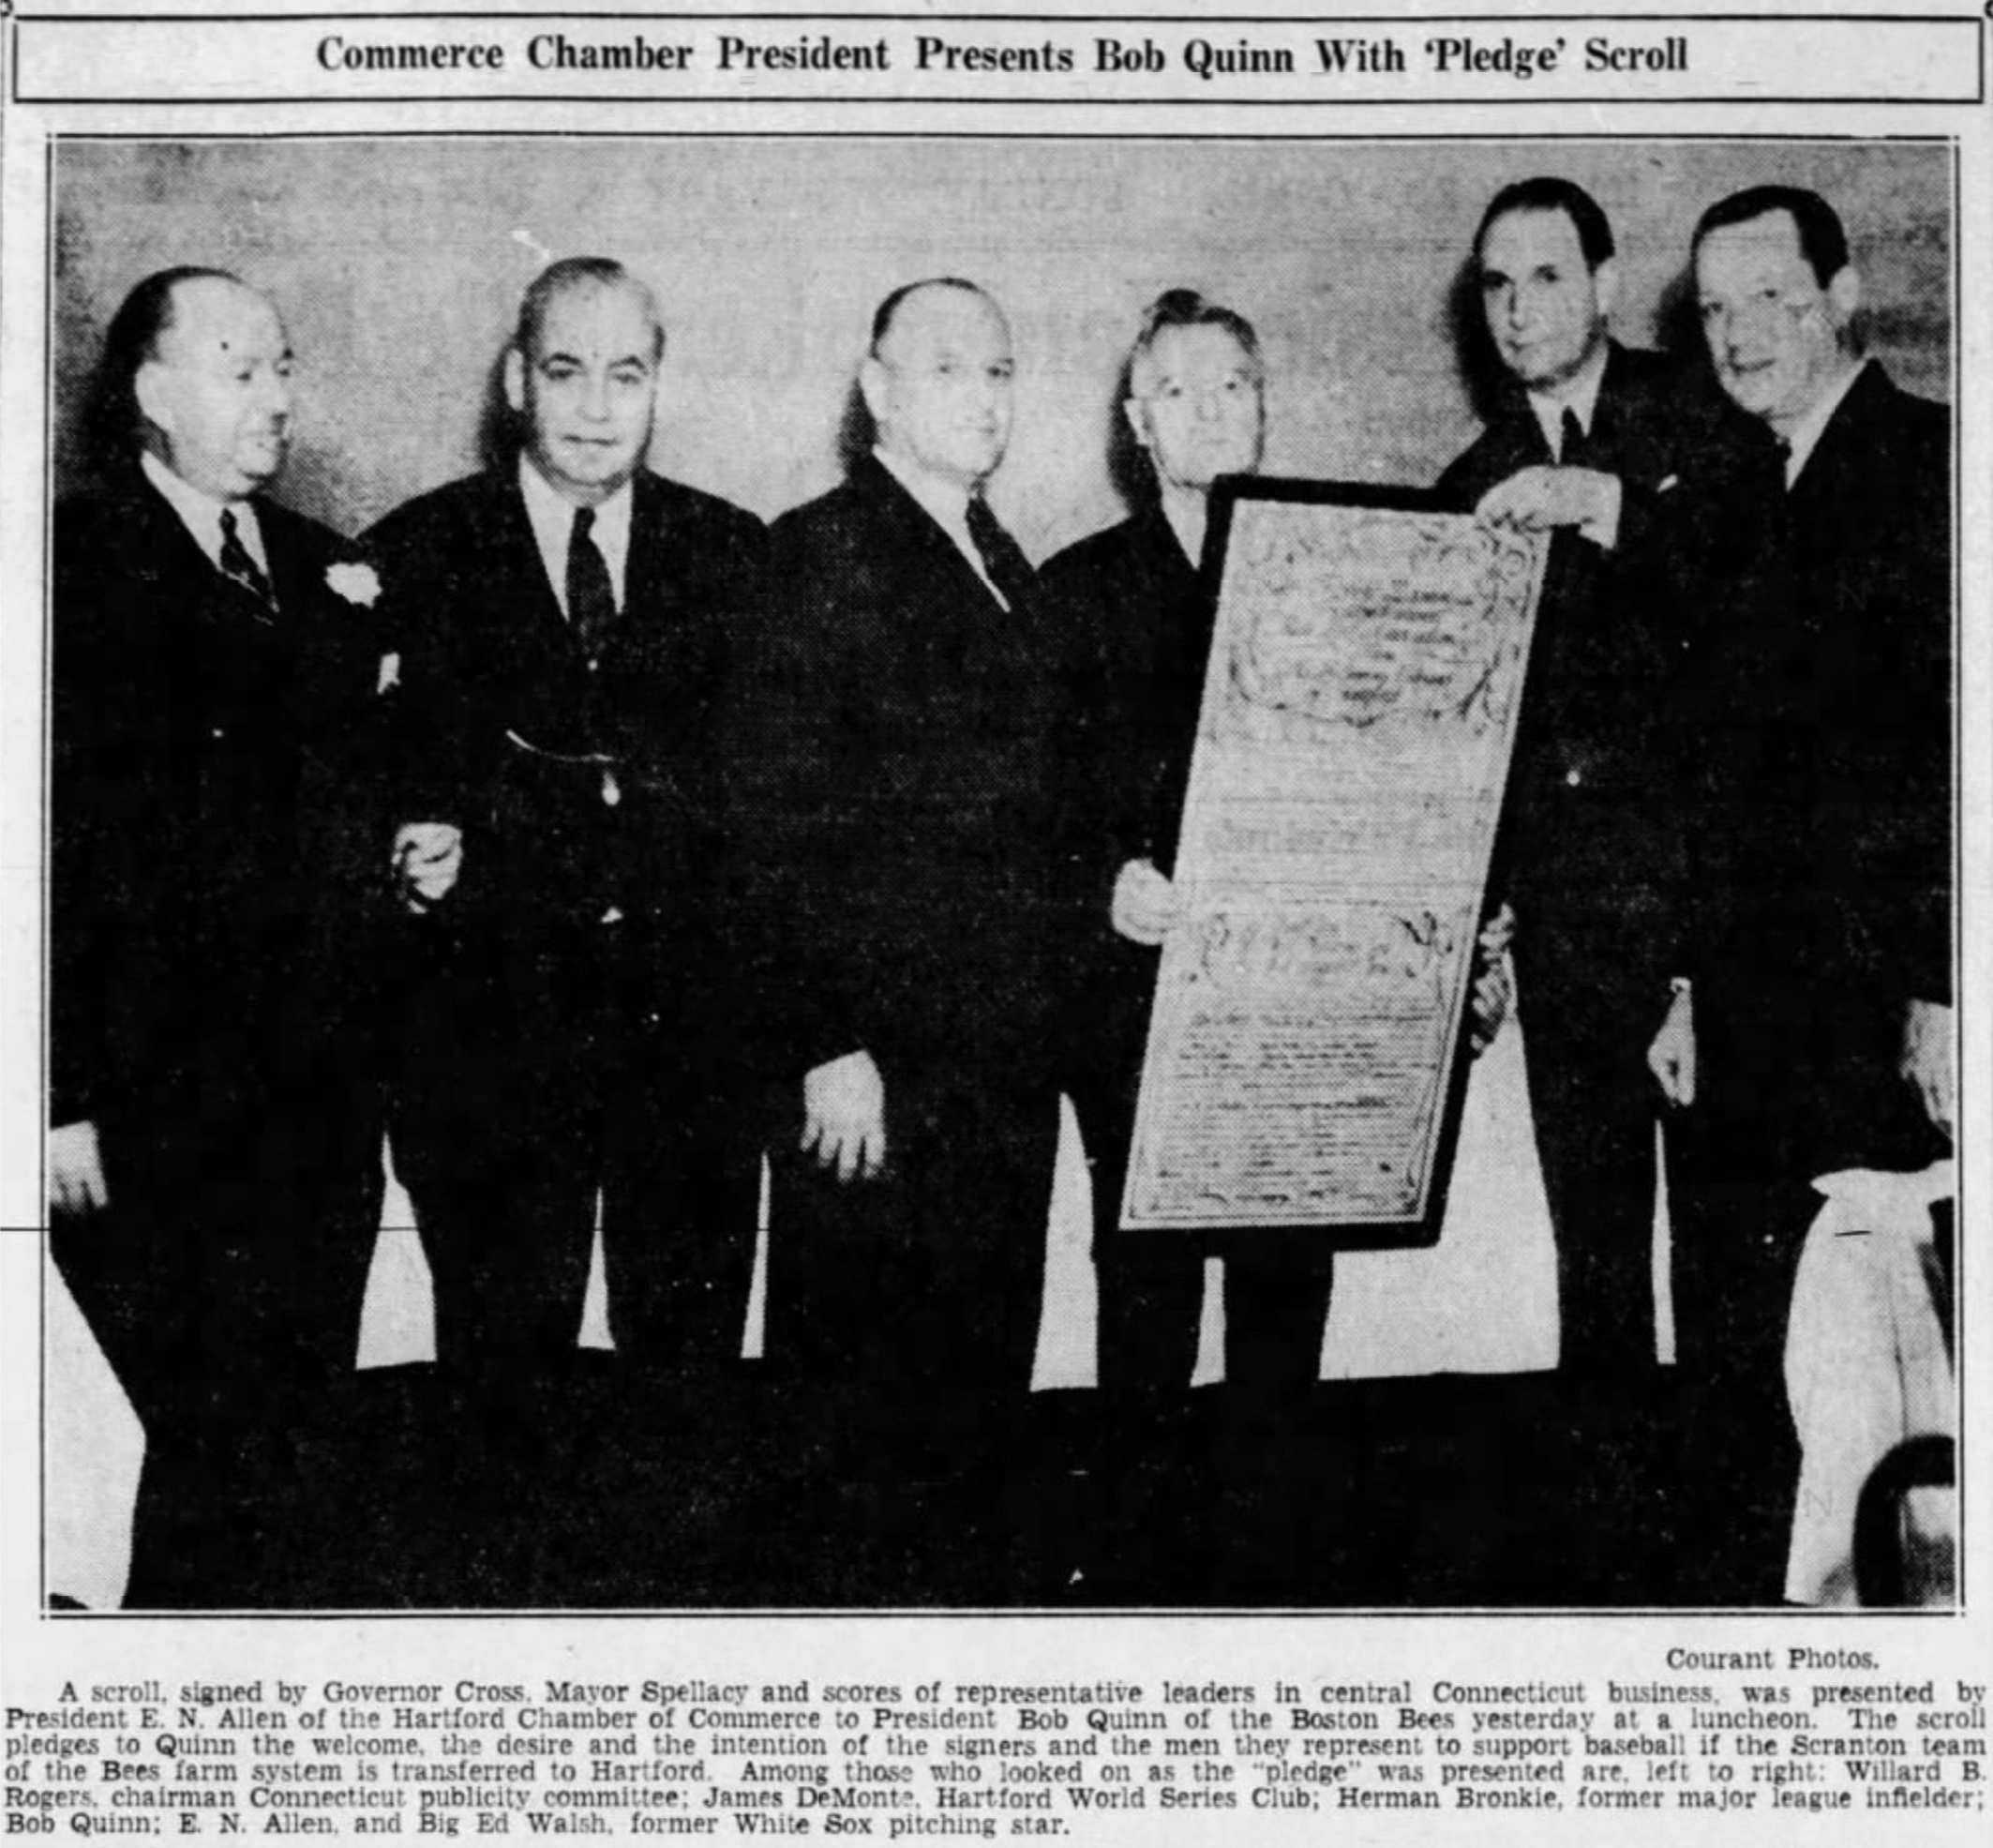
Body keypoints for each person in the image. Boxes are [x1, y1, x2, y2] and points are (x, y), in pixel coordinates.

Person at [368, 260, 766, 1490]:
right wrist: (400, 850)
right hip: (493, 1047)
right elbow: (358, 790)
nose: (596, 404)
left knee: (686, 1385)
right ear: (513, 379)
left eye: (626, 373)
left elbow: (768, 816)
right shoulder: (413, 555)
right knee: (499, 1390)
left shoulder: (735, 556)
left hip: (687, 1048)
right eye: (564, 369)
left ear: (659, 387)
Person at [50, 267, 394, 1606]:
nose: (276, 397)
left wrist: (408, 856)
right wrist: (57, 1095)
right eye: (241, 368)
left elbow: (335, 805)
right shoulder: (71, 567)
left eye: (285, 367)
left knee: (299, 1433)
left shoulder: (321, 567)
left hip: (320, 1091)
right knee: (189, 1443)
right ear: (152, 395)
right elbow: (51, 851)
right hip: (156, 1104)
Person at [732, 278, 1068, 1600]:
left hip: (997, 1064)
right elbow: (764, 830)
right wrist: (827, 1039)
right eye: (948, 369)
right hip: (878, 1075)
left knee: (976, 1395)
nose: (983, 395)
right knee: (858, 1421)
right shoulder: (812, 552)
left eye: (999, 369)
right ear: (875, 389)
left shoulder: (1005, 559)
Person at [1657, 187, 1951, 1599]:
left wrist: (1949, 990)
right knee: (1750, 1371)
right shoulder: (1729, 491)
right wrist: (1678, 984)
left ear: (1840, 294)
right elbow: (1709, 779)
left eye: (1767, 296)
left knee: (1887, 1406)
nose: (1734, 333)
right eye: (1711, 308)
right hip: (1740, 1025)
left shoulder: (1934, 466)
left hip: (1880, 1023)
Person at [1436, 177, 1751, 1388]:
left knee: (1728, 1270)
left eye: (1547, 277)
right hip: (1571, 943)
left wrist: (1603, 505)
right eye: (1496, 286)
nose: (1517, 310)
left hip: (1715, 930)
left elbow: (1757, 620)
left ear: (1609, 285)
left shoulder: (1710, 421)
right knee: (1598, 1283)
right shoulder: (1466, 484)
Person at [1039, 292, 1335, 1405]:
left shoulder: (1338, 570)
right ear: (1136, 422)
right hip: (1139, 1008)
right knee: (1147, 1304)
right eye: (1175, 390)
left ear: (1262, 406)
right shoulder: (1071, 592)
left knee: (1285, 1298)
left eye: (1230, 385)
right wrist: (1104, 883)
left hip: (1295, 1003)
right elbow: (1038, 815)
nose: (1206, 410)